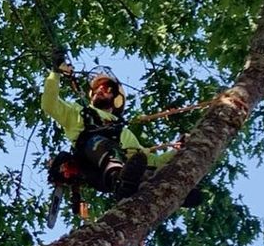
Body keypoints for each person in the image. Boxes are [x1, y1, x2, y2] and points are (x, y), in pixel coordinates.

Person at [42, 58, 175, 199]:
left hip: (111, 176)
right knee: (101, 144)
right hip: (94, 165)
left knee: (141, 162)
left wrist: (179, 149)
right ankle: (119, 179)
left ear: (115, 98)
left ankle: (170, 190)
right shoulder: (78, 113)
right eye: (97, 88)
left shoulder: (123, 132)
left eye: (107, 88)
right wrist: (55, 73)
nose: (100, 90)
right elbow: (49, 104)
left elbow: (152, 160)